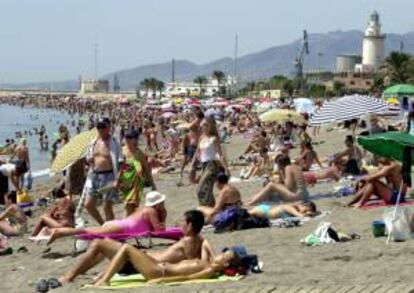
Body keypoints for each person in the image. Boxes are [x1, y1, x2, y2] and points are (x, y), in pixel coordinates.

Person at [58, 210, 215, 284]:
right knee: (102, 248)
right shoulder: (195, 239)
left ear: (190, 225)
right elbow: (198, 256)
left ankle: (72, 276)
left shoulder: (189, 241)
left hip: (142, 265)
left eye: (183, 222)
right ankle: (88, 275)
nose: (180, 224)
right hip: (143, 260)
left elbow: (192, 262)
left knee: (99, 243)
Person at [47, 191, 167, 245]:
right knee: (86, 231)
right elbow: (158, 231)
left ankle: (57, 232)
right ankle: (59, 232)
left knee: (91, 229)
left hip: (119, 225)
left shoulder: (145, 209)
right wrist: (164, 215)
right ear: (156, 204)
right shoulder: (152, 211)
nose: (163, 203)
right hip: (121, 228)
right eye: (162, 202)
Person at [93, 244, 240, 286]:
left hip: (158, 272)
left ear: (225, 263)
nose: (220, 254)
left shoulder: (210, 269)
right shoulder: (207, 262)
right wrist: (214, 255)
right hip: (158, 266)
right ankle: (104, 276)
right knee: (129, 251)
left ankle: (105, 280)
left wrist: (162, 280)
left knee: (127, 249)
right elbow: (206, 243)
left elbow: (188, 277)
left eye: (223, 255)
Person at [84, 117, 121, 225]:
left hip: (109, 175)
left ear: (109, 127)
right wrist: (88, 161)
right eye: (99, 126)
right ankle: (103, 225)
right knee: (88, 205)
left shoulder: (114, 142)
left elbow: (121, 162)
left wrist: (118, 179)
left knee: (106, 206)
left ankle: (113, 231)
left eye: (103, 126)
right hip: (94, 175)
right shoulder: (93, 143)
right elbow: (88, 159)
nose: (100, 129)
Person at [192, 117, 230, 207]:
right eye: (202, 124)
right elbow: (197, 152)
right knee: (207, 189)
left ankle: (208, 208)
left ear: (210, 126)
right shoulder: (201, 137)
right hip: (204, 165)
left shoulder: (214, 138)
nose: (202, 126)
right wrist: (193, 165)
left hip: (212, 165)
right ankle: (210, 208)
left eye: (205, 124)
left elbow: (220, 154)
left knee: (200, 189)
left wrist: (226, 168)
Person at [119, 129, 156, 215]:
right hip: (124, 183)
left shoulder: (139, 153)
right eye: (126, 137)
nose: (127, 139)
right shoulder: (121, 151)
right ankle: (130, 223)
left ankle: (127, 224)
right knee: (129, 206)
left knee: (130, 205)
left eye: (129, 137)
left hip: (136, 183)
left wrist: (153, 185)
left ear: (135, 139)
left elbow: (147, 169)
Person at [249, 201, 317, 219]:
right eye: (305, 210)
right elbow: (300, 216)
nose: (305, 212)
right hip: (263, 211)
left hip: (266, 210)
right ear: (302, 205)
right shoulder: (290, 208)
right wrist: (308, 214)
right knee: (244, 214)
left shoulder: (294, 207)